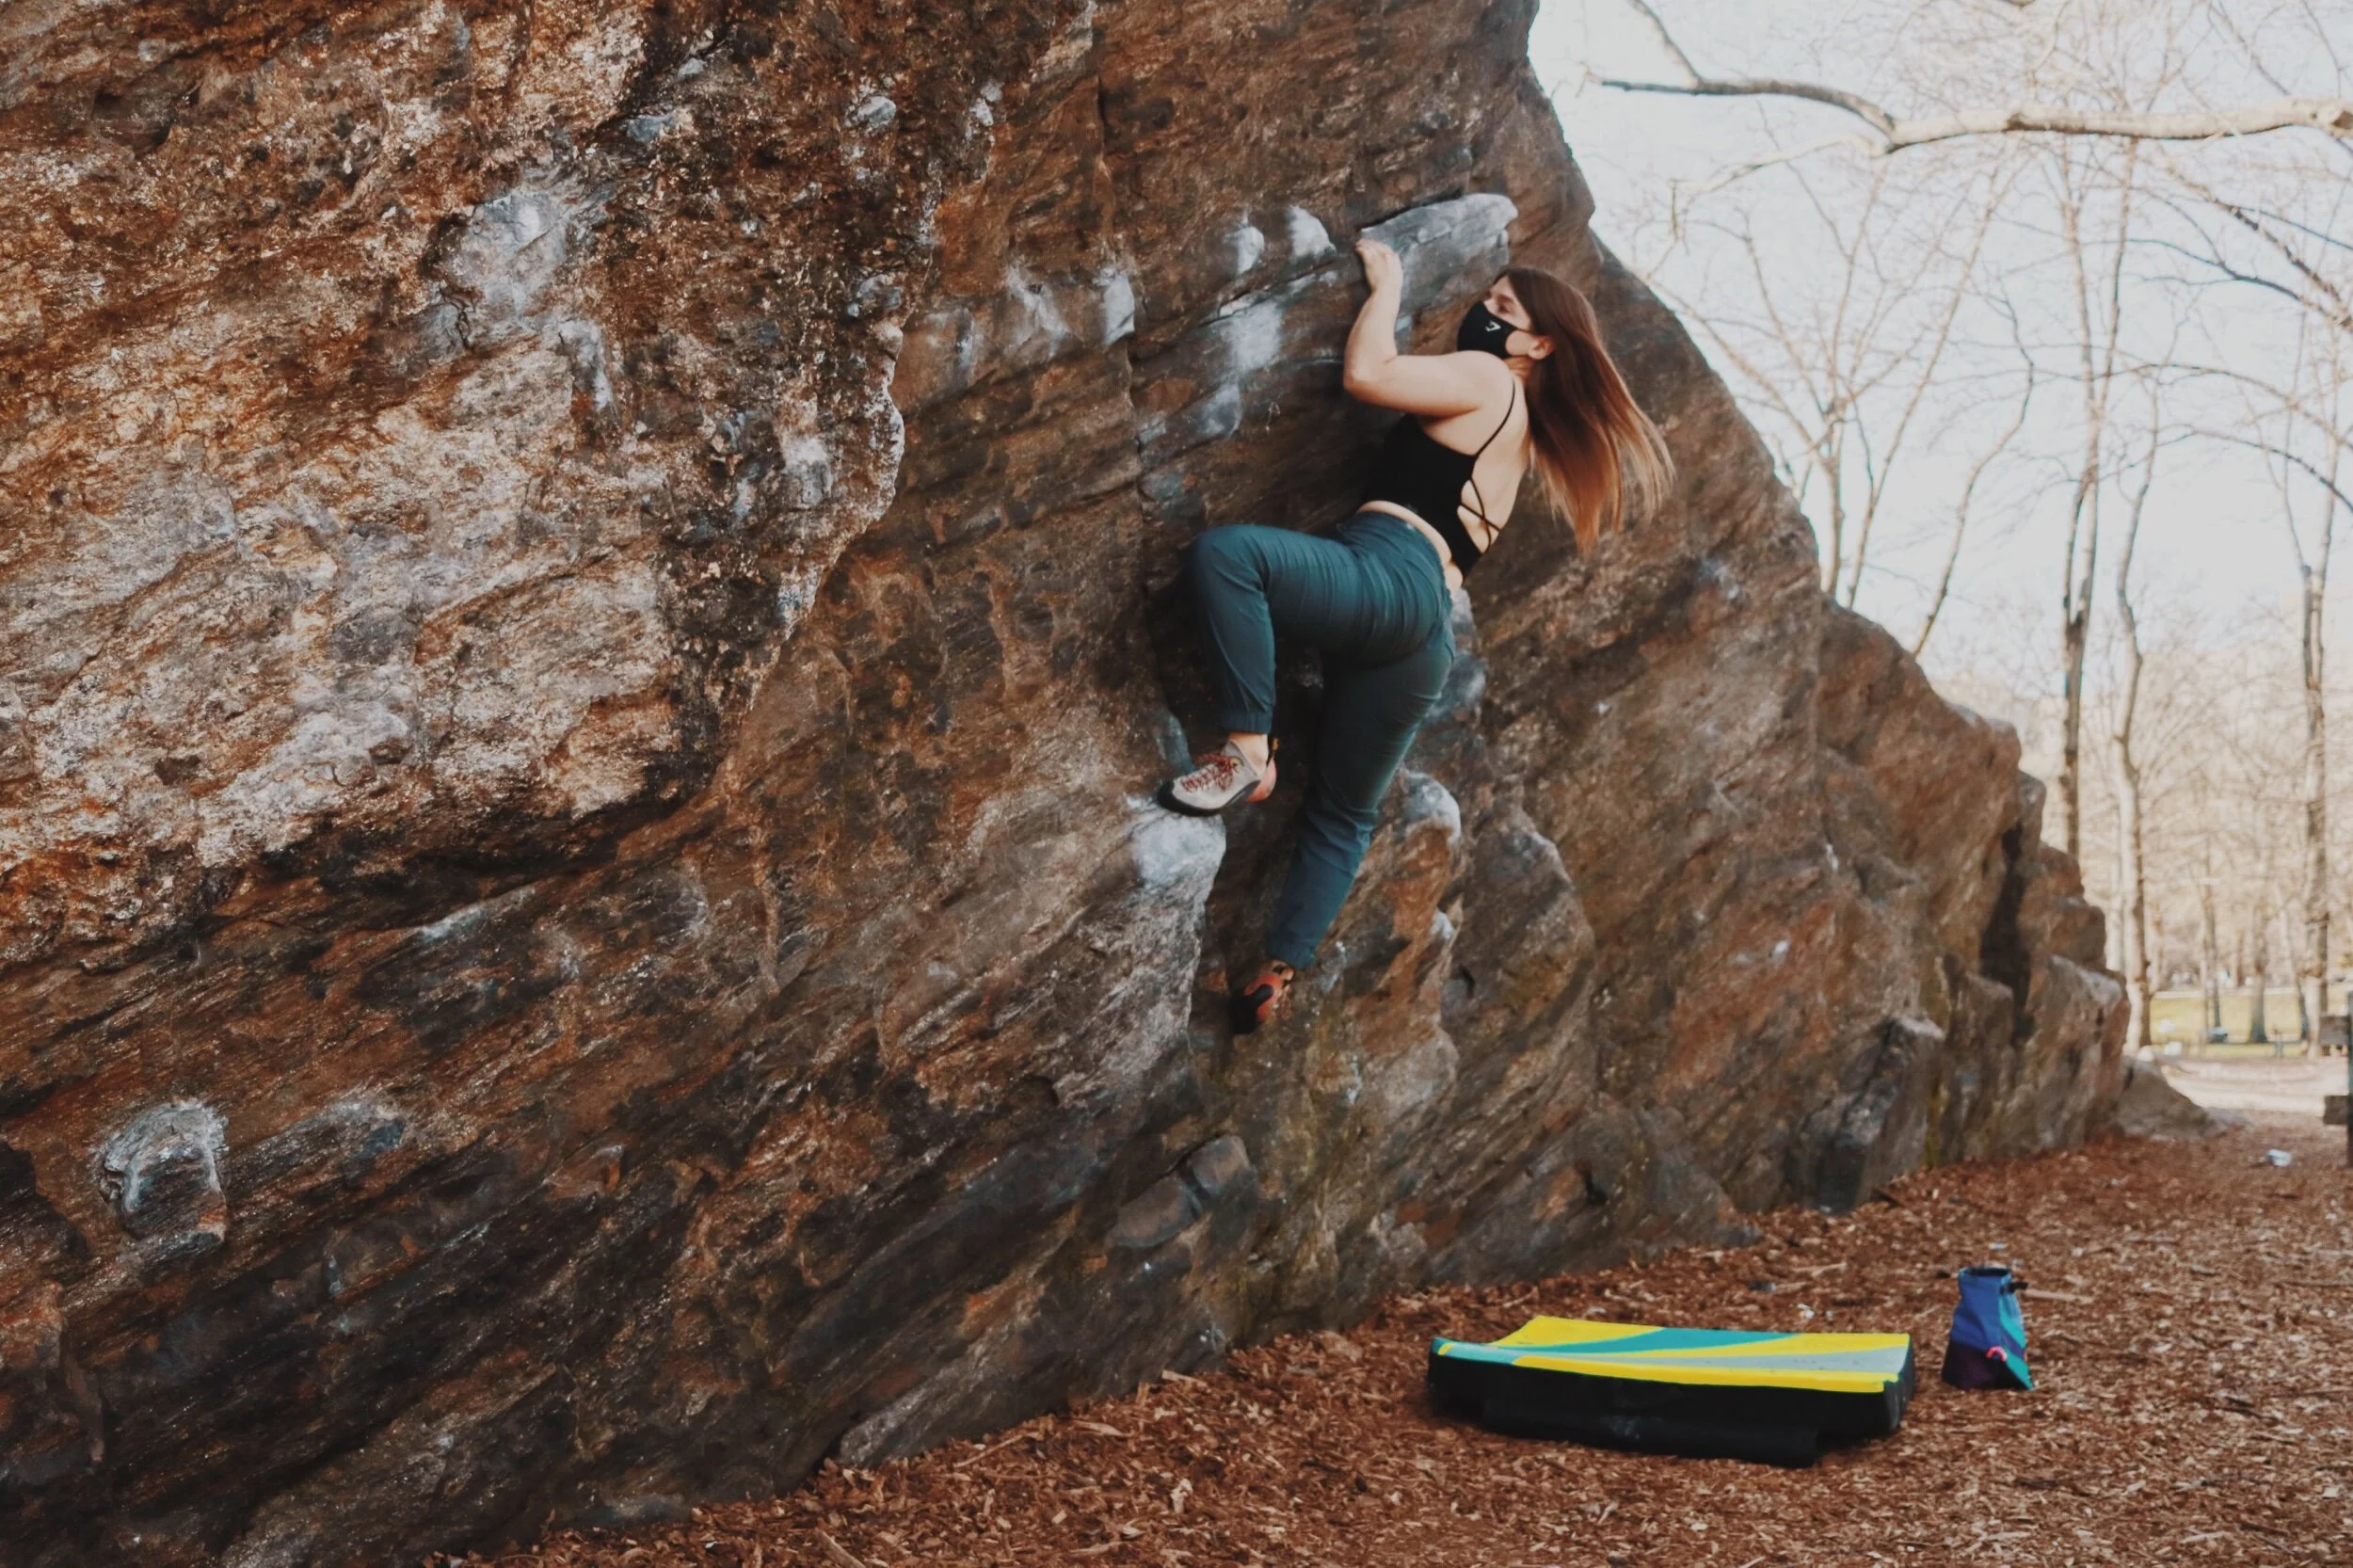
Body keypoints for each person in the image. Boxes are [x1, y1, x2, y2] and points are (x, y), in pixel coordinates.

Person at [1157, 233, 1676, 1033]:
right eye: (1488, 299)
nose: (1484, 312)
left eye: (1504, 309)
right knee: (1342, 814)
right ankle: (1278, 970)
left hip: (1388, 575)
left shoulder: (1490, 379)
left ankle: (1247, 755)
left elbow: (1369, 374)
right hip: (1424, 639)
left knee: (1231, 558)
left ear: (1538, 345)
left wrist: (1388, 284)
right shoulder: (1525, 436)